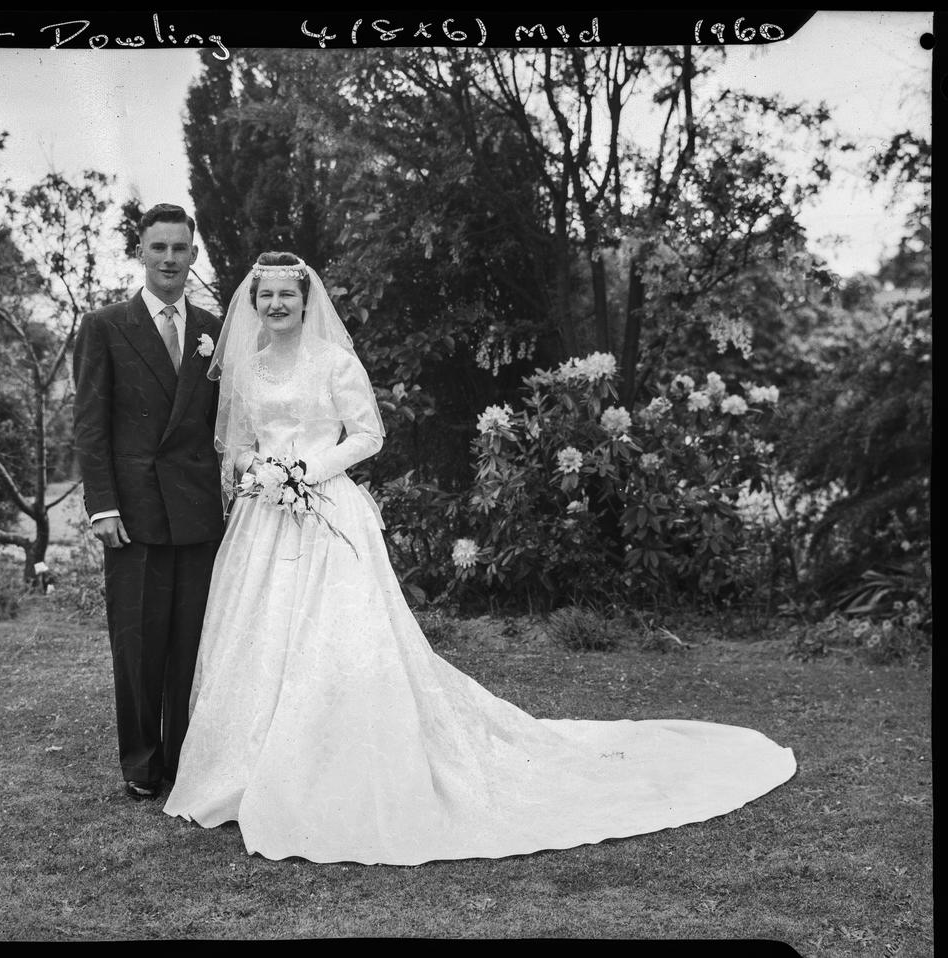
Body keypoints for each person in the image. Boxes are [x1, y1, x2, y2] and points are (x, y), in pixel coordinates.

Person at [163, 251, 796, 865]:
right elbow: (235, 446)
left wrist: (307, 471)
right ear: (253, 302)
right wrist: (265, 471)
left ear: (305, 301)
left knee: (338, 640)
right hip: (265, 520)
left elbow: (367, 435)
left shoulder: (332, 362)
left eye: (287, 295)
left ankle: (331, 766)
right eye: (265, 295)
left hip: (327, 511)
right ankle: (245, 767)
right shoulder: (245, 370)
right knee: (259, 635)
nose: (276, 305)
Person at [72, 204, 224, 801]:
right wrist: (102, 506)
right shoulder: (106, 326)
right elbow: (90, 426)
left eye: (179, 248)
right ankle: (140, 761)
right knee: (137, 644)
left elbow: (225, 421)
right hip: (132, 514)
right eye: (157, 247)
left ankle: (183, 759)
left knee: (190, 644)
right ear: (141, 252)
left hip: (195, 514)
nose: (169, 259)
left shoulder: (214, 328)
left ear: (193, 254)